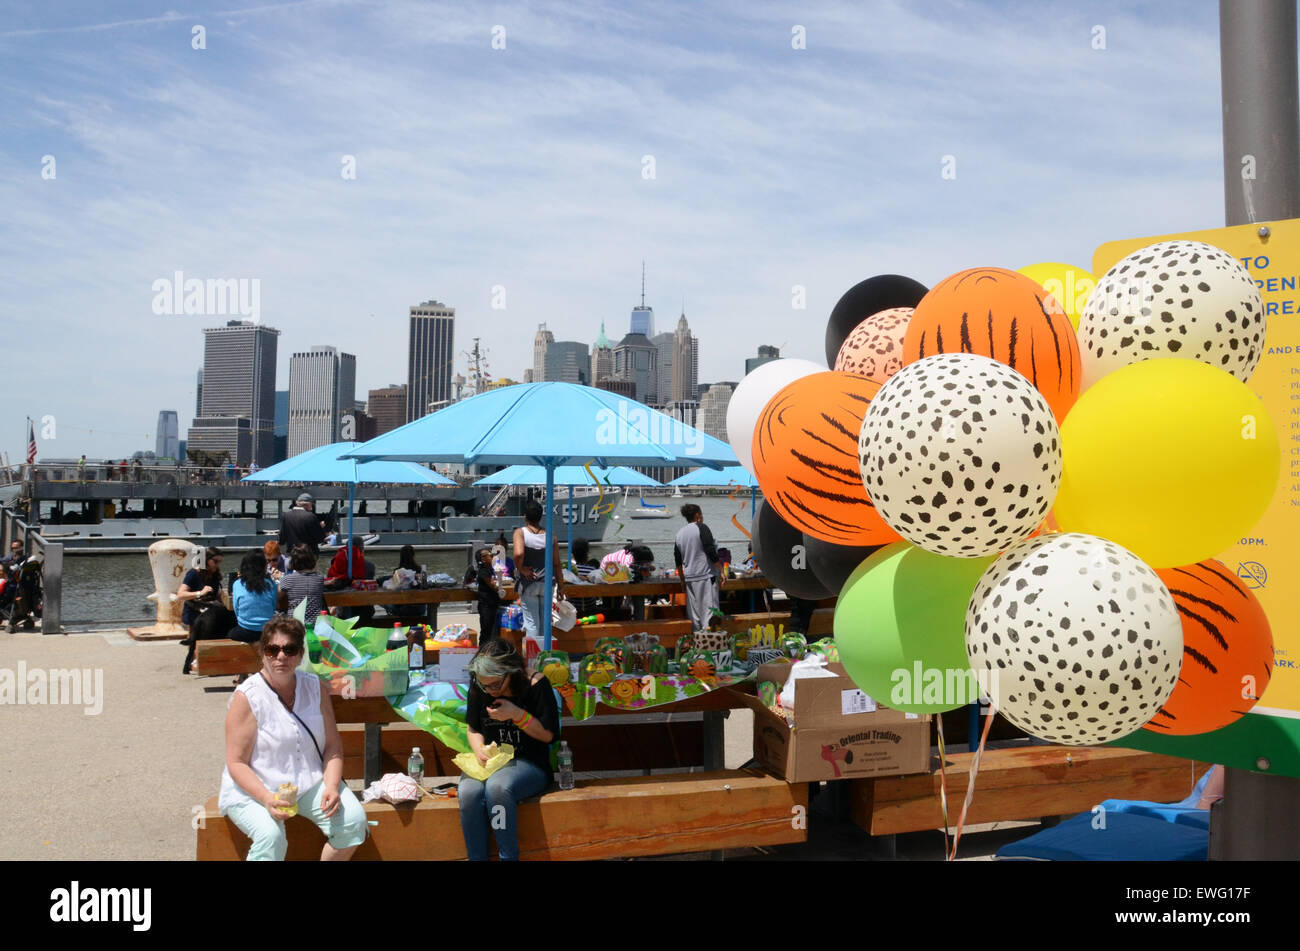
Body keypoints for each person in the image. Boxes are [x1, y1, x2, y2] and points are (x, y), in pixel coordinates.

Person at [219, 615, 367, 861]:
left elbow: (333, 746)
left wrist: (331, 786)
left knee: (353, 822)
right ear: (263, 653)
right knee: (271, 837)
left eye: (290, 649)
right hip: (255, 789)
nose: (281, 656)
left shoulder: (314, 687)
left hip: (309, 782)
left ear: (300, 654)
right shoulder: (247, 697)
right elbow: (236, 763)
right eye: (272, 649)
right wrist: (267, 798)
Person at [459, 639, 559, 861]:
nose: (490, 691)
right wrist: (479, 750)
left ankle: (508, 857)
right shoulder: (480, 685)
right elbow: (473, 728)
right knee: (467, 793)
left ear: (511, 673)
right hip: (492, 761)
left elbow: (548, 735)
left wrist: (518, 715)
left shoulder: (536, 685)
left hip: (528, 760)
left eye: (495, 685)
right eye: (484, 685)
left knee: (497, 788)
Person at [179, 547, 235, 675]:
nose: (217, 565)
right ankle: (197, 658)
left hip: (210, 611)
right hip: (194, 610)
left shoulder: (215, 575)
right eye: (215, 561)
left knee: (228, 618)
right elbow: (180, 595)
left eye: (220, 562)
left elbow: (218, 595)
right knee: (209, 623)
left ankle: (213, 656)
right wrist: (200, 593)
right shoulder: (193, 574)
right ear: (206, 560)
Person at [513, 501, 561, 641]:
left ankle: (533, 657)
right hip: (547, 583)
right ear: (540, 517)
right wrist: (561, 586)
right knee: (545, 623)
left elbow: (518, 554)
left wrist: (521, 569)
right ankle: (545, 656)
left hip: (529, 583)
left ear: (525, 516)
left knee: (531, 623)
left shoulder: (520, 533)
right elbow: (557, 563)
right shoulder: (550, 535)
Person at [674, 503, 721, 634]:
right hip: (705, 576)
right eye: (701, 514)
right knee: (710, 612)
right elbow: (710, 550)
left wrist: (682, 580)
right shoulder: (702, 527)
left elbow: (678, 560)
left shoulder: (680, 533)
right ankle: (712, 645)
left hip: (690, 578)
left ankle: (697, 645)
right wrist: (721, 570)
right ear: (697, 515)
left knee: (695, 615)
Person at [230, 551, 279, 643]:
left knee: (228, 633)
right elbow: (273, 606)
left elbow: (236, 610)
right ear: (263, 567)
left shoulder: (237, 583)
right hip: (266, 631)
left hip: (244, 631)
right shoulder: (271, 584)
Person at [279, 545, 325, 628]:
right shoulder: (319, 578)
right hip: (315, 625)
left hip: (295, 625)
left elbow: (278, 597)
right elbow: (314, 571)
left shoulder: (287, 580)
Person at [469, 546, 501, 642]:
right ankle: (483, 649)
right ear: (483, 559)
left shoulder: (489, 569)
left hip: (492, 603)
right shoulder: (483, 571)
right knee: (487, 630)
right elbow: (494, 586)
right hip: (486, 605)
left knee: (493, 629)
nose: (492, 556)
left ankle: (491, 649)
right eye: (490, 555)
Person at [279, 492, 327, 556]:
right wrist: (320, 527)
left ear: (297, 503)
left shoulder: (286, 516)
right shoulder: (310, 516)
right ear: (308, 504)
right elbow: (320, 538)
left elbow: (282, 538)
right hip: (308, 555)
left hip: (292, 553)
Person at [565, 537, 601, 619]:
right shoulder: (592, 570)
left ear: (572, 554)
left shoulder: (568, 571)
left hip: (572, 609)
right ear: (587, 553)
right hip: (590, 609)